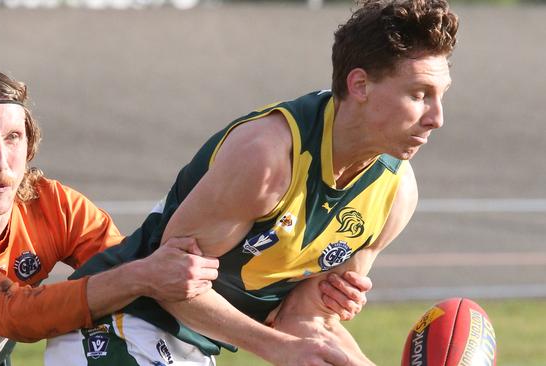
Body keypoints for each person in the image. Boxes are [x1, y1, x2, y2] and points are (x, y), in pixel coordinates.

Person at [46, 0, 459, 364]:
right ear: (360, 85)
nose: (437, 118)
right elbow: (169, 284)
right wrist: (276, 347)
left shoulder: (395, 194)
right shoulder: (267, 156)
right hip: (118, 328)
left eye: (441, 95)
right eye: (420, 94)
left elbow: (304, 319)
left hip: (188, 348)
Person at [0, 65, 222, 365]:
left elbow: (146, 275)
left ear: (29, 144)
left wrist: (267, 332)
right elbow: (13, 313)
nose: (0, 161)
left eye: (13, 138)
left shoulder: (53, 208)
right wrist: (140, 277)